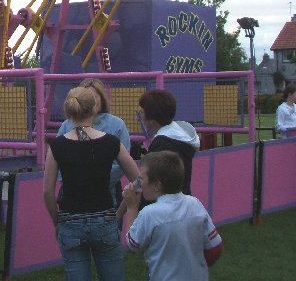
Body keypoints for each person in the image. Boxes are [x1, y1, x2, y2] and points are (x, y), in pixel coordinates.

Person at [43, 87, 139, 281]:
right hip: (105, 218)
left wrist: (57, 222)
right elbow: (138, 181)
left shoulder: (57, 146)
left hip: (70, 220)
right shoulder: (112, 142)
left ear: (69, 111)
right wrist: (120, 212)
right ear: (94, 108)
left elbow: (47, 192)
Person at [122, 151, 223, 281]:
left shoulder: (150, 213)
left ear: (157, 185)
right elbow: (216, 247)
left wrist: (131, 208)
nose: (139, 184)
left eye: (141, 179)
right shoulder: (195, 204)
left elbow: (132, 244)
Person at [57, 78, 131, 206]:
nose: (91, 101)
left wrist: (96, 182)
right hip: (73, 197)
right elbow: (57, 162)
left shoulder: (117, 125)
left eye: (94, 97)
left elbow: (123, 166)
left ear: (102, 99)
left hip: (108, 195)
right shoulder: (66, 126)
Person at [138, 89, 200, 194]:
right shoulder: (182, 135)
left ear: (152, 120)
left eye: (143, 113)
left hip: (164, 203)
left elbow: (147, 179)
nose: (140, 118)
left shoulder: (162, 143)